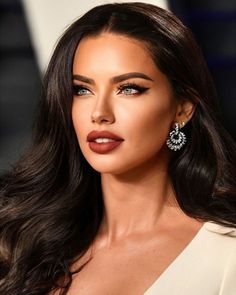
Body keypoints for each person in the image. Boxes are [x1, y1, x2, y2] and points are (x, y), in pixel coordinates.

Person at [0, 2, 236, 295]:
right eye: (82, 90)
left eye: (129, 88)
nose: (99, 112)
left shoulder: (226, 258)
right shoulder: (25, 244)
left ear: (183, 107)